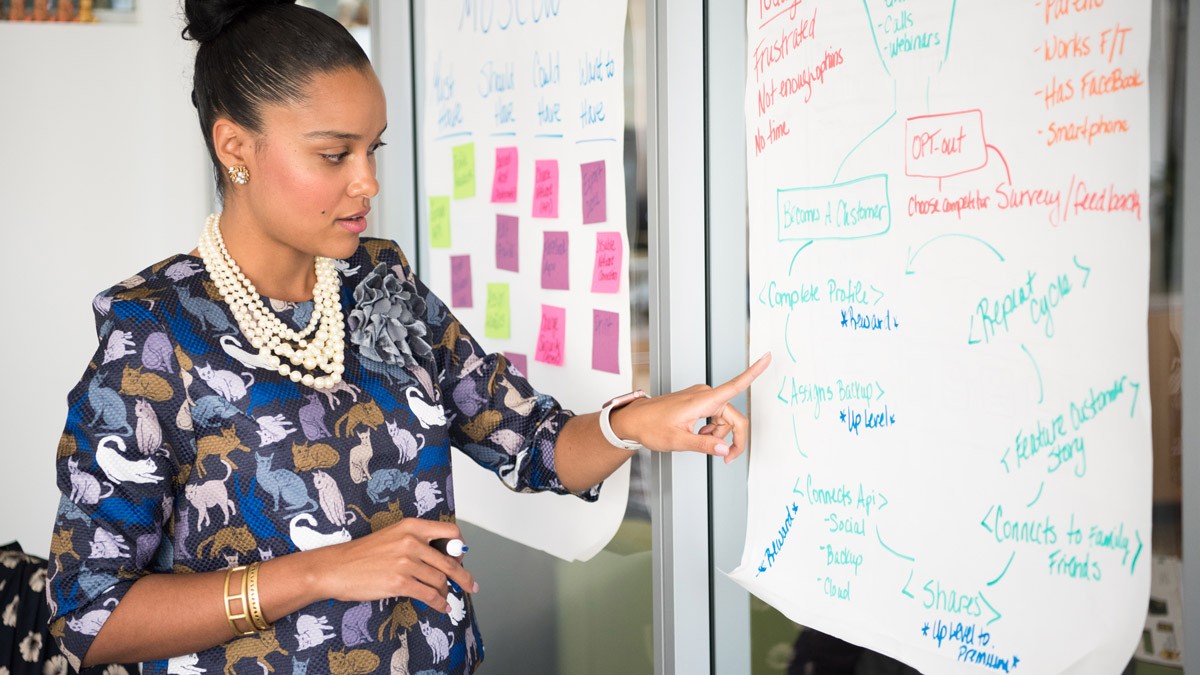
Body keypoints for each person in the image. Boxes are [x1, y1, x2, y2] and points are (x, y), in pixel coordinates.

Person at [44, 1, 770, 673]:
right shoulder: (153, 335)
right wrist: (323, 569)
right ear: (236, 147)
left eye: (374, 149)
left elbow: (534, 445)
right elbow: (88, 615)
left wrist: (638, 423)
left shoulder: (379, 282)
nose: (368, 181)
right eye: (335, 154)